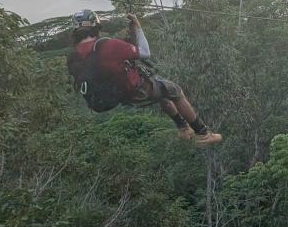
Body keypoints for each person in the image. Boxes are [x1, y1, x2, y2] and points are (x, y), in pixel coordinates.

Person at [67, 9, 223, 147]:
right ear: (96, 27)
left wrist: (131, 32)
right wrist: (138, 27)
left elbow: (109, 63)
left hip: (115, 97)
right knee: (175, 91)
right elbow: (145, 52)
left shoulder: (74, 56)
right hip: (136, 89)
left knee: (162, 93)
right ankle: (203, 133)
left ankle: (183, 129)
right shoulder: (107, 45)